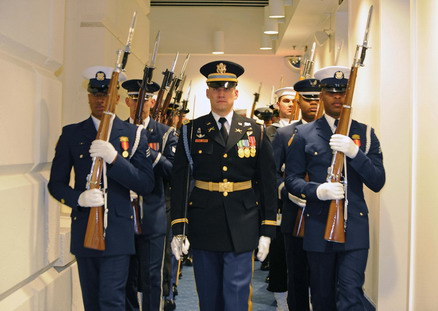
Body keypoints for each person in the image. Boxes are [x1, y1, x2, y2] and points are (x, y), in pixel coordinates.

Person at [170, 60, 278, 310]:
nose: (221, 94)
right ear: (207, 92)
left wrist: (267, 229)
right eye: (216, 88)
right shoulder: (191, 130)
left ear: (236, 93)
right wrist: (179, 226)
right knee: (208, 296)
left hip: (243, 221)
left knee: (237, 296)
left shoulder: (255, 131)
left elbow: (267, 183)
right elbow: (181, 179)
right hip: (204, 221)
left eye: (227, 89)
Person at [48, 66, 155, 311]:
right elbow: (56, 184)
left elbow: (145, 184)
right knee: (93, 302)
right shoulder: (72, 134)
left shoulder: (133, 133)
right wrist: (79, 199)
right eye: (95, 94)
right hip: (85, 227)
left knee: (112, 301)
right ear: (88, 96)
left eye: (106, 94)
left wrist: (115, 160)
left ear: (116, 98)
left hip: (118, 231)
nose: (100, 100)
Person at [285, 66, 386, 311]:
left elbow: (377, 180)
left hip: (355, 229)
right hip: (319, 225)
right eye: (331, 91)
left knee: (351, 292)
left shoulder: (366, 134)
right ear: (322, 94)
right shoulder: (304, 134)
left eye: (342, 91)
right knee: (322, 296)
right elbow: (292, 179)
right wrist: (317, 191)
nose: (337, 97)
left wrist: (355, 153)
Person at [122, 79, 178, 311]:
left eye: (144, 99)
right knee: (125, 276)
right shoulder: (117, 130)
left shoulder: (164, 134)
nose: (139, 103)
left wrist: (150, 153)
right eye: (134, 98)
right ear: (127, 101)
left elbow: (175, 171)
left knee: (153, 276)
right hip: (122, 213)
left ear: (153, 102)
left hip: (154, 213)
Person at [271, 78, 321, 311]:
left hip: (326, 213)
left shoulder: (337, 133)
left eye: (318, 98)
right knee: (297, 275)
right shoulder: (284, 134)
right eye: (309, 99)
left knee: (326, 277)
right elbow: (271, 173)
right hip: (295, 212)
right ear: (299, 101)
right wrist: (286, 192)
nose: (314, 103)